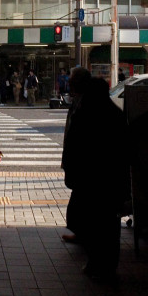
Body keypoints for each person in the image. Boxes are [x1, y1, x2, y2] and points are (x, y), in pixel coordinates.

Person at [61, 76, 130, 281]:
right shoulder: (116, 115)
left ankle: (95, 263)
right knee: (110, 225)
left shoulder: (85, 115)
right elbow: (125, 151)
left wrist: (71, 173)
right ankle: (109, 265)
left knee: (92, 221)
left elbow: (74, 148)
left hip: (89, 181)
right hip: (111, 182)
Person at [60, 67, 91, 243]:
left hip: (85, 163)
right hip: (79, 161)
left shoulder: (86, 102)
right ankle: (81, 233)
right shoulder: (79, 100)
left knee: (82, 202)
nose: (68, 82)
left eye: (71, 79)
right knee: (79, 201)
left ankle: (85, 235)